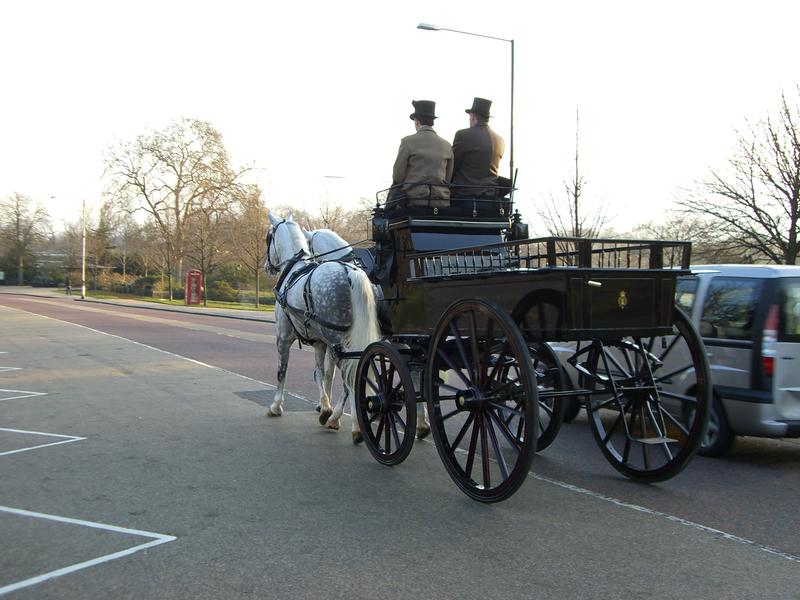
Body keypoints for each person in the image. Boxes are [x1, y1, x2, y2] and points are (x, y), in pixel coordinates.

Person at [389, 100, 454, 208]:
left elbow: (397, 176)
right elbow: (448, 177)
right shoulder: (447, 145)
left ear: (417, 121)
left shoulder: (407, 142)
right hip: (441, 202)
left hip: (413, 201)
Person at [451, 97, 506, 198]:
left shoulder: (463, 135)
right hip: (490, 195)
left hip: (464, 194)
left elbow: (453, 165)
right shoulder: (500, 140)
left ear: (472, 117)